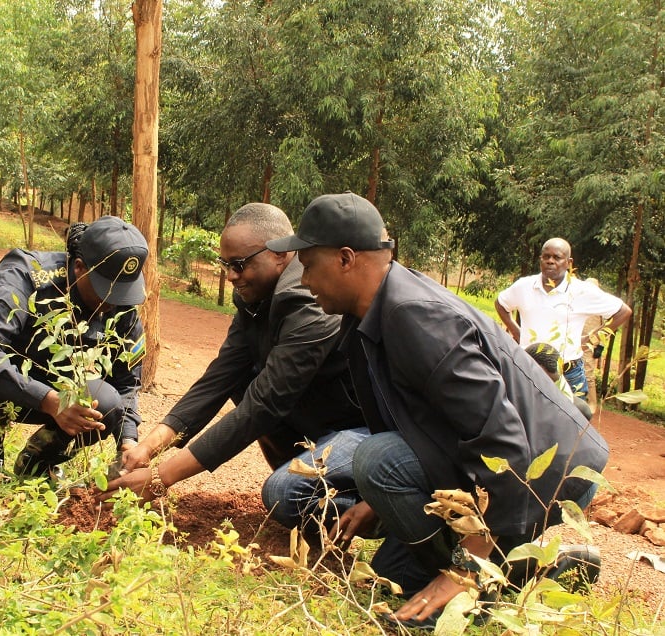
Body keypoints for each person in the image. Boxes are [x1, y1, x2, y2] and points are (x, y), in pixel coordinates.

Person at [265, 193, 609, 629]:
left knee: (378, 462)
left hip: (547, 477)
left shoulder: (417, 318)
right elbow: (418, 424)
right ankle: (535, 569)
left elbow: (505, 445)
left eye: (309, 264)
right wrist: (376, 502)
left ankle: (489, 578)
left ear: (346, 258)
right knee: (393, 581)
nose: (304, 279)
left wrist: (462, 573)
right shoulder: (369, 314)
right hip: (499, 471)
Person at [97, 203, 368, 532]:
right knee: (244, 379)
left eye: (239, 264)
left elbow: (266, 404)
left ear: (280, 254)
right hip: (320, 418)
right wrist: (148, 448)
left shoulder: (307, 300)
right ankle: (303, 480)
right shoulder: (256, 298)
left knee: (283, 493)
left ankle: (372, 506)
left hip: (363, 432)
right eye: (225, 264)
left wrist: (160, 477)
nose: (230, 276)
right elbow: (220, 377)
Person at [0, 216, 148, 478]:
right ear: (80, 267)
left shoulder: (120, 305)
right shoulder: (24, 275)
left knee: (106, 401)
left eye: (123, 293)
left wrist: (128, 440)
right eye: (107, 291)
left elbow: (127, 382)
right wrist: (49, 401)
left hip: (30, 374)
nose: (114, 304)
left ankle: (37, 464)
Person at [495, 238, 632, 397]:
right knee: (521, 418)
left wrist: (591, 338)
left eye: (557, 257)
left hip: (568, 372)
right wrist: (517, 331)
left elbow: (623, 312)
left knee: (570, 420)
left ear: (568, 262)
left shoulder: (581, 291)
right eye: (546, 257)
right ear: (540, 260)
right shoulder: (524, 286)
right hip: (528, 367)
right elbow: (501, 304)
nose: (550, 261)